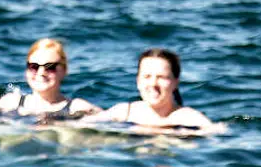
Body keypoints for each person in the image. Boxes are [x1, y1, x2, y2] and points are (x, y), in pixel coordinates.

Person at [83, 48, 227, 134]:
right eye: (147, 76)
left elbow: (218, 135)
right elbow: (79, 127)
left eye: (161, 77)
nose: (153, 84)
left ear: (176, 82)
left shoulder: (189, 119)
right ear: (138, 81)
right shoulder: (123, 113)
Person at [0, 38, 99, 118]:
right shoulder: (10, 102)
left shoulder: (77, 107)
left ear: (64, 71)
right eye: (34, 66)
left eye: (50, 67)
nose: (41, 72)